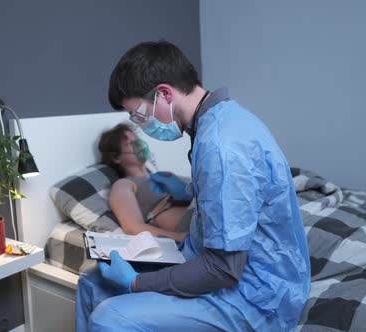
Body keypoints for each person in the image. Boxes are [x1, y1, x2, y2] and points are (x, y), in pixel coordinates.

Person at [76, 41, 311, 331]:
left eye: (139, 115)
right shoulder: (217, 122)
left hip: (255, 298)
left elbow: (223, 269)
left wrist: (137, 282)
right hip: (214, 259)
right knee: (91, 282)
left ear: (163, 93)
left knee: (108, 317)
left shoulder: (220, 147)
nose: (142, 127)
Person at [98, 123, 189, 242]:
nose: (139, 145)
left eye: (137, 140)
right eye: (130, 143)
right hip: (191, 226)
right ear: (116, 158)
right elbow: (133, 228)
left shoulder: (165, 176)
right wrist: (181, 238)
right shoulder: (124, 184)